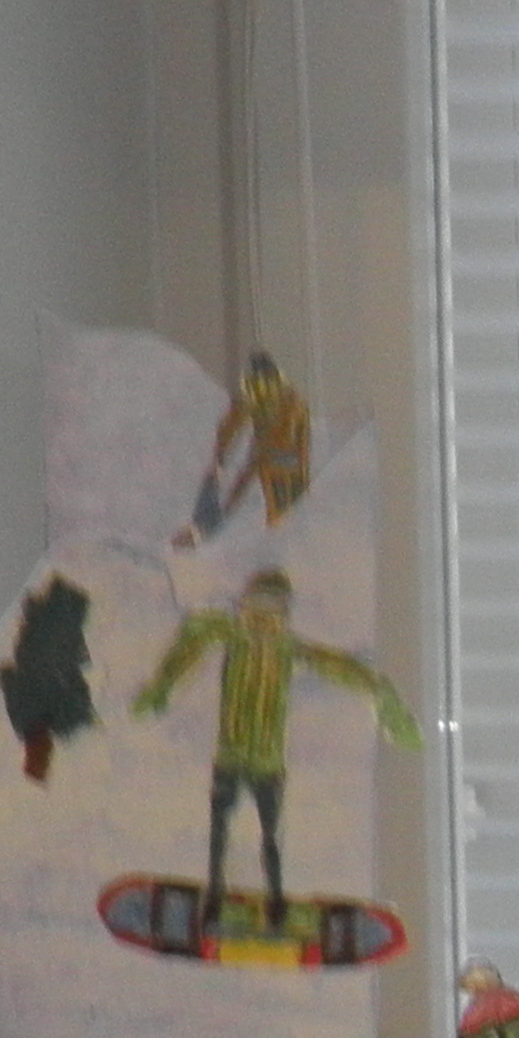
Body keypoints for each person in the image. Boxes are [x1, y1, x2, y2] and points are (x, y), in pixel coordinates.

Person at [130, 567, 416, 943]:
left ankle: (276, 904)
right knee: (221, 833)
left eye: (272, 610)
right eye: (256, 608)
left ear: (283, 614)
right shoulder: (231, 635)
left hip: (266, 765)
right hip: (231, 758)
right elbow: (194, 640)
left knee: (268, 837)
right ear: (245, 607)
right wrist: (161, 688)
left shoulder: (288, 649)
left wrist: (382, 696)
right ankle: (215, 900)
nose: (263, 619)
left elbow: (342, 669)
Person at [181, 350, 313, 543]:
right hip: (273, 459)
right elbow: (231, 425)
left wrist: (222, 455)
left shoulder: (289, 402)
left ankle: (278, 536)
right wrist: (220, 456)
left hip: (281, 460)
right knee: (245, 489)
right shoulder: (279, 397)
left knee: (272, 498)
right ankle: (219, 528)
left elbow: (296, 440)